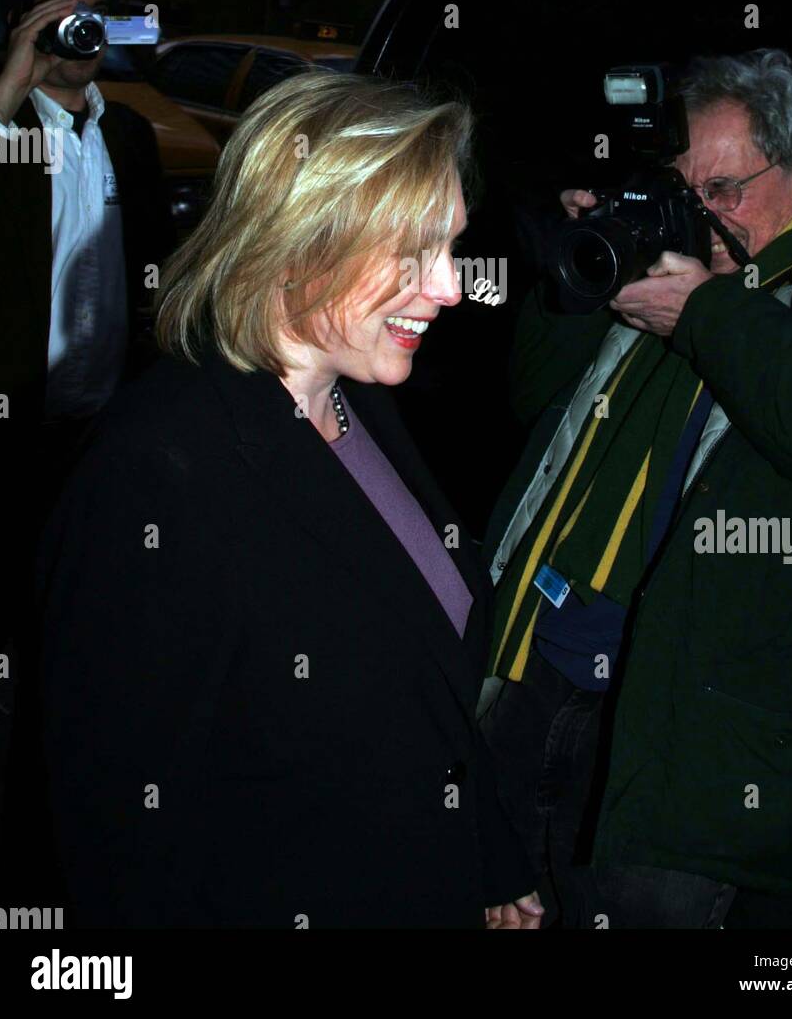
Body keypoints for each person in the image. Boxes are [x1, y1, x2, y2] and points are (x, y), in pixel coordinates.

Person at [37, 70, 542, 929]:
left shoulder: (358, 398)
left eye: (451, 247)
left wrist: (484, 856)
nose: (452, 287)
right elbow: (110, 831)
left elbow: (425, 678)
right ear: (300, 240)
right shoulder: (158, 474)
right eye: (413, 253)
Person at [480, 49, 792, 928]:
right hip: (541, 668)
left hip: (691, 730)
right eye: (684, 191)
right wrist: (584, 269)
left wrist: (706, 315)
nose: (704, 215)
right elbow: (531, 397)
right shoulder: (671, 260)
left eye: (725, 190)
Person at [0, 0, 175, 897]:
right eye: (58, 10)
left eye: (91, 9)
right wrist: (9, 82)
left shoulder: (129, 131)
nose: (80, 28)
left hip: (104, 423)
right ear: (21, 20)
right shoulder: (2, 128)